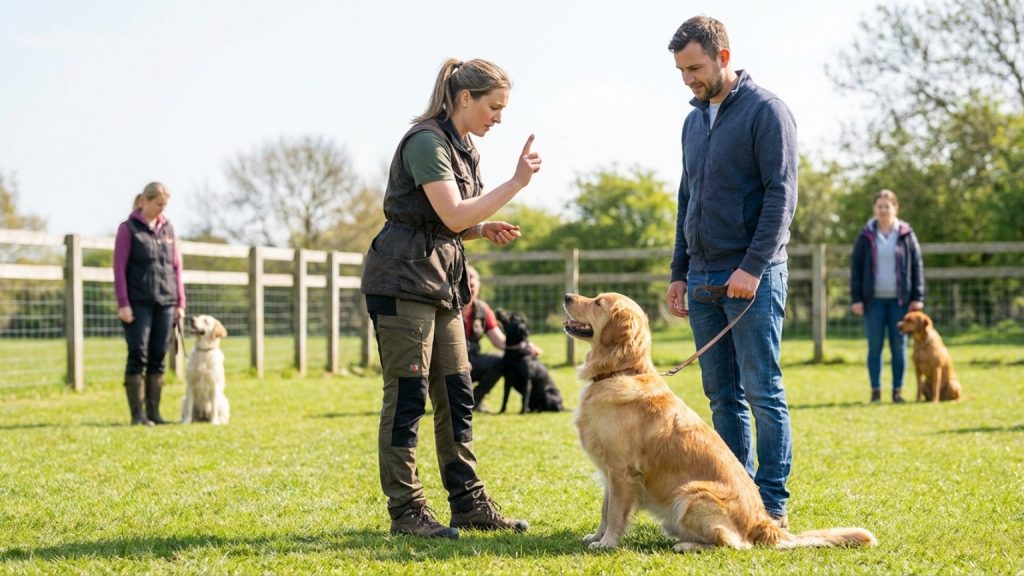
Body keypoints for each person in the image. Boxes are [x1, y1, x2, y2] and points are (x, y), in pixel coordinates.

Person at [360, 58, 541, 539]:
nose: (498, 118)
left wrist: (481, 228)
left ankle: (468, 503)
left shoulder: (464, 148)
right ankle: (407, 511)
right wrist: (516, 184)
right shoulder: (426, 142)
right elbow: (452, 214)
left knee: (457, 393)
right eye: (494, 107)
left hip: (441, 283)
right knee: (407, 397)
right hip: (401, 281)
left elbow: (454, 221)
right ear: (465, 98)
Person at [664, 16, 798, 528]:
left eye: (695, 67)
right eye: (680, 70)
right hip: (701, 277)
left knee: (762, 389)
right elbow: (686, 200)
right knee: (722, 397)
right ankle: (732, 496)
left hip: (752, 278)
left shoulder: (768, 112)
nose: (688, 79)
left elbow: (781, 196)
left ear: (723, 56)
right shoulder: (693, 122)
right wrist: (680, 271)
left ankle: (772, 505)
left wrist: (753, 267)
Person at [113, 182, 186, 426]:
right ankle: (138, 415)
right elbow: (119, 268)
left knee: (158, 356)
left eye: (164, 206)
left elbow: (176, 267)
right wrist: (123, 303)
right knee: (138, 353)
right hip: (138, 302)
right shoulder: (128, 229)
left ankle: (154, 413)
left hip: (166, 300)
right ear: (145, 201)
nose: (161, 210)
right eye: (158, 205)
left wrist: (180, 302)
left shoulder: (168, 229)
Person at [850, 189, 925, 404]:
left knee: (899, 346)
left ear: (895, 208)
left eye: (887, 206)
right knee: (875, 346)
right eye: (880, 206)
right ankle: (876, 391)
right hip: (872, 301)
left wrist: (917, 296)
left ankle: (897, 391)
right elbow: (856, 268)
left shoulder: (906, 234)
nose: (883, 210)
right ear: (875, 209)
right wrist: (857, 299)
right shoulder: (865, 236)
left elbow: (917, 266)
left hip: (900, 301)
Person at [463, 265, 543, 413]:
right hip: (447, 361)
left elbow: (500, 341)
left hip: (473, 359)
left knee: (500, 362)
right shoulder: (447, 307)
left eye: (473, 282)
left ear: (479, 285)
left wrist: (525, 346)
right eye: (466, 280)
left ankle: (475, 400)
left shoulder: (483, 309)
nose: (471, 285)